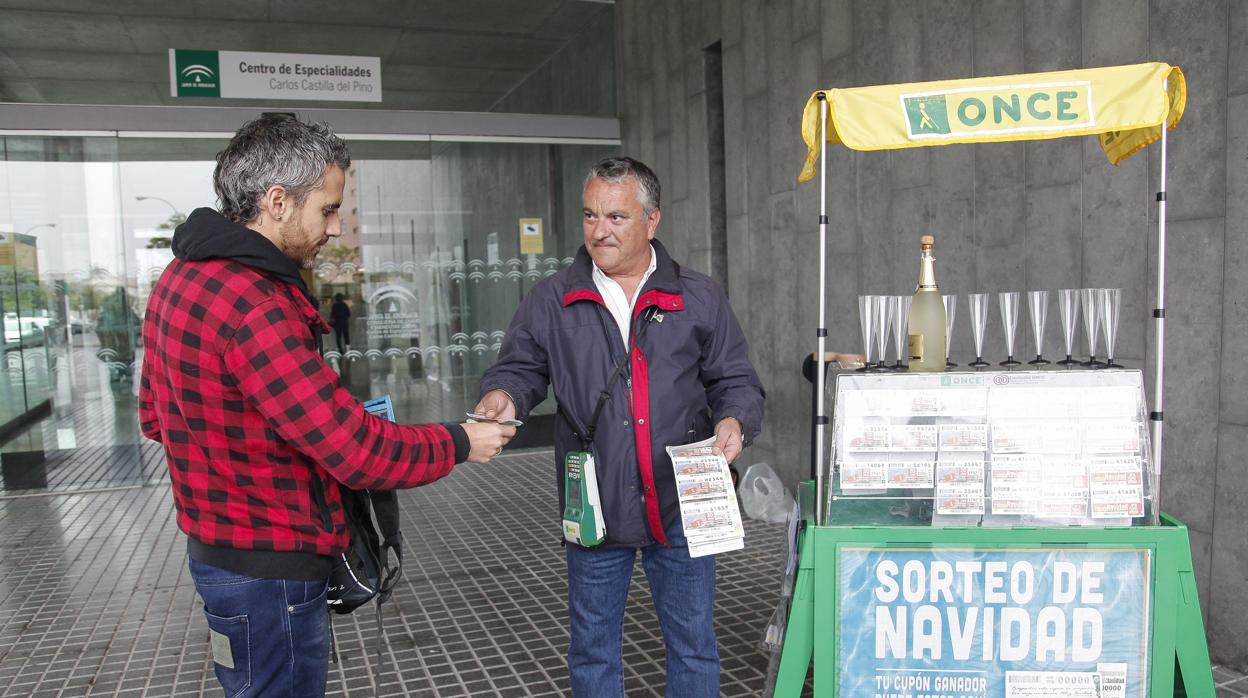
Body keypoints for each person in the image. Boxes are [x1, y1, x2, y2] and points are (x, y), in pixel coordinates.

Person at [138, 113, 515, 698]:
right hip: (273, 574)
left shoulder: (178, 281)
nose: (336, 228)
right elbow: (358, 454)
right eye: (329, 209)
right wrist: (463, 441)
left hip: (218, 559)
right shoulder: (253, 301)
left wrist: (258, 446)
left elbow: (154, 418)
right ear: (278, 201)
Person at [474, 156, 765, 697]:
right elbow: (519, 370)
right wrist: (503, 396)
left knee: (694, 645)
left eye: (616, 217)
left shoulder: (698, 297)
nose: (599, 231)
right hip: (595, 506)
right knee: (592, 651)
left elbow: (737, 380)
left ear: (652, 221)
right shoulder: (552, 300)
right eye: (589, 216)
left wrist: (735, 420)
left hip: (682, 502)